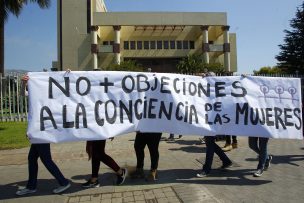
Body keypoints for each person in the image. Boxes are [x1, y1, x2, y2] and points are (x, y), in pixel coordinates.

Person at [16, 75, 71, 196]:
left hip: (42, 130)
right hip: (38, 130)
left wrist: (67, 75)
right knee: (32, 158)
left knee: (45, 159)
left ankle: (63, 182)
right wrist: (23, 84)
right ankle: (31, 186)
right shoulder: (36, 95)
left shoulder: (49, 97)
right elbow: (22, 94)